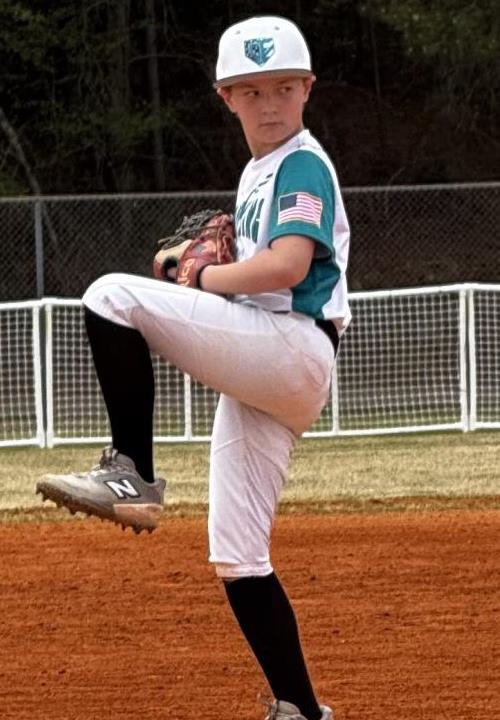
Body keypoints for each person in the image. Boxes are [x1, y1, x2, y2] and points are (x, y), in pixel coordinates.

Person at [37, 15, 351, 720]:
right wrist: (198, 271)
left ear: (307, 88)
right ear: (225, 97)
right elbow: (249, 272)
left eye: (283, 87)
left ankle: (132, 474)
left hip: (292, 345)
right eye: (251, 91)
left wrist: (201, 278)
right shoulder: (257, 174)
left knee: (109, 296)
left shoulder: (302, 163)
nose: (269, 104)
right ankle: (300, 709)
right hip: (271, 363)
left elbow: (288, 265)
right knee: (238, 556)